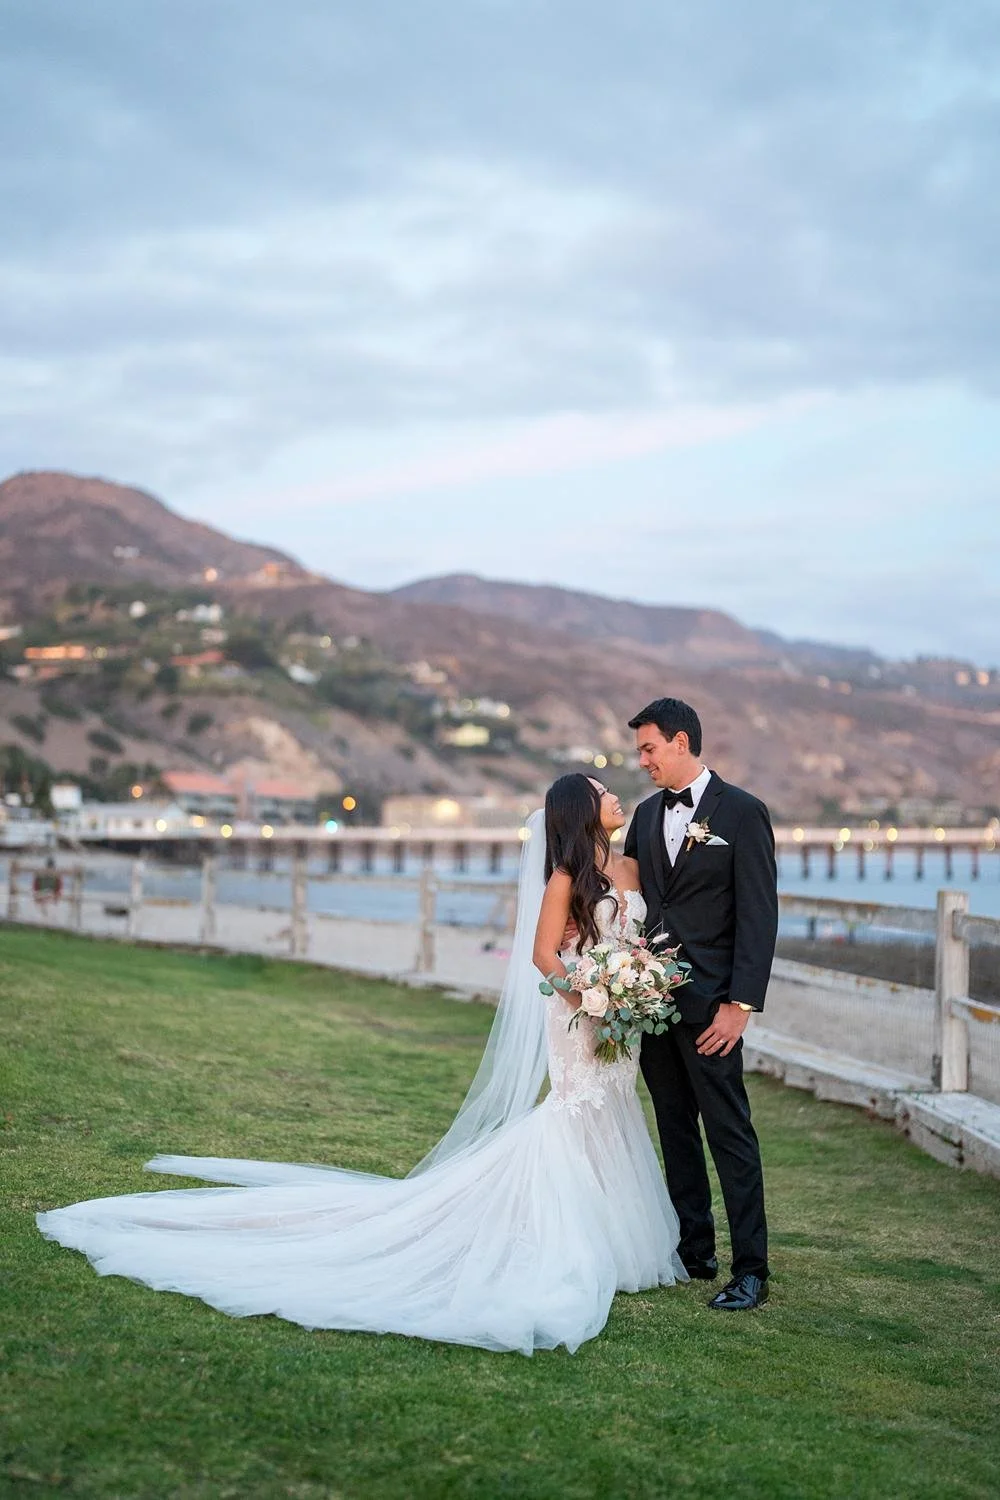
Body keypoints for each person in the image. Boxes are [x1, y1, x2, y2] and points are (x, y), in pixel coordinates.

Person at [37, 775, 685, 1355]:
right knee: (576, 1106)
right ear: (580, 810)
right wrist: (587, 996)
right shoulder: (566, 878)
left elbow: (639, 939)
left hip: (621, 1014)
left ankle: (612, 1235)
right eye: (601, 791)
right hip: (579, 1011)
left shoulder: (631, 866)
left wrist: (635, 984)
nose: (613, 795)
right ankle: (562, 1233)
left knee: (613, 1106)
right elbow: (544, 956)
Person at [624, 698, 778, 1311]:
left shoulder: (742, 812)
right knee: (675, 1130)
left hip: (713, 1005)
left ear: (681, 741)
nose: (643, 760)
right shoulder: (643, 815)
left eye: (649, 748)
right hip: (650, 1004)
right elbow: (633, 898)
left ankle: (751, 1270)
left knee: (729, 1133)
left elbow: (759, 915)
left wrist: (740, 1005)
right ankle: (694, 1251)